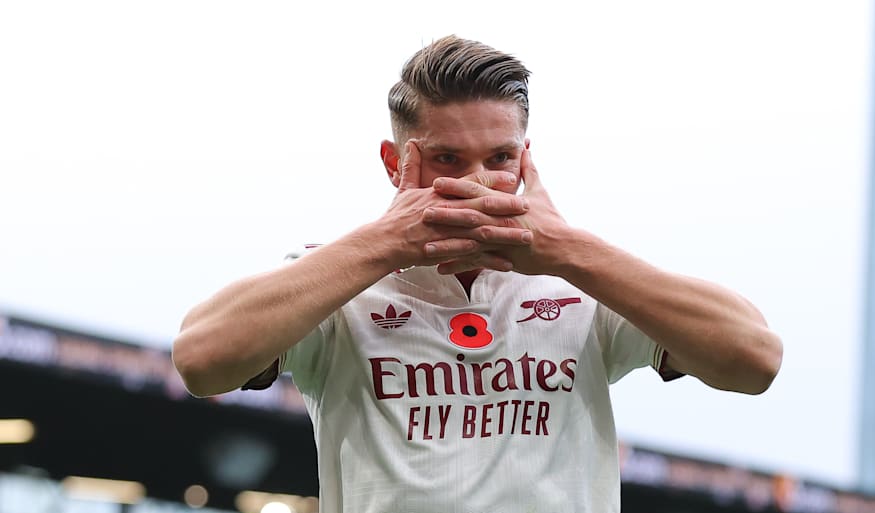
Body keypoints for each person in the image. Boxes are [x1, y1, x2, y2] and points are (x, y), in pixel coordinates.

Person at [172, 35, 783, 513]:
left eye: (499, 158)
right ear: (394, 163)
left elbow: (755, 359)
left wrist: (569, 251)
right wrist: (383, 244)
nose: (477, 182)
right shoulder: (340, 280)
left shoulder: (580, 276)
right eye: (447, 158)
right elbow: (202, 359)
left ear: (525, 157)